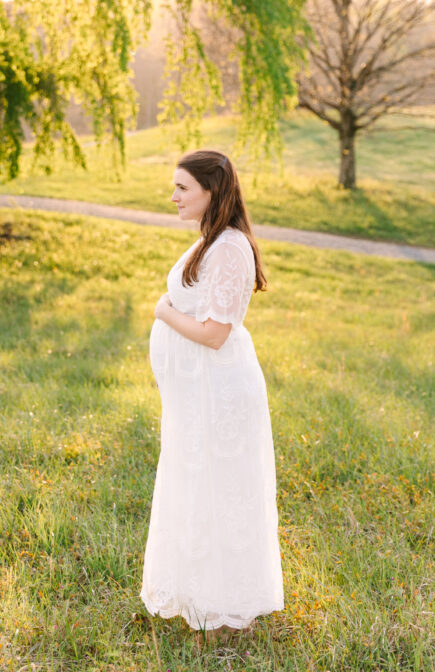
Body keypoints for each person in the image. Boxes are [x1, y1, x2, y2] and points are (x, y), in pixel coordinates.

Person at [140, 149, 284, 632]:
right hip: (197, 395)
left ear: (212, 189)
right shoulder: (213, 240)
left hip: (218, 393)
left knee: (220, 490)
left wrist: (163, 311)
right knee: (198, 485)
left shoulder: (227, 247)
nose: (174, 196)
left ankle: (225, 605)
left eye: (182, 187)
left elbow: (214, 333)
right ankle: (198, 593)